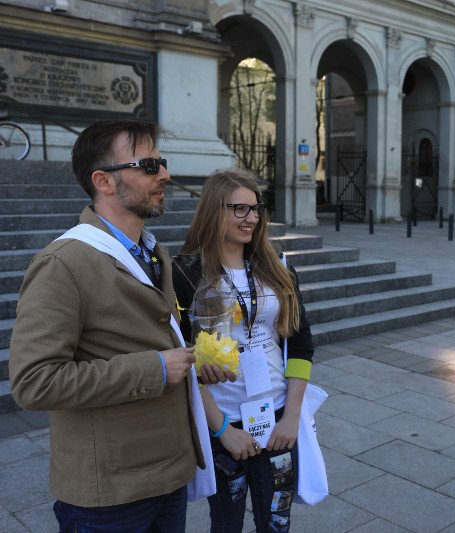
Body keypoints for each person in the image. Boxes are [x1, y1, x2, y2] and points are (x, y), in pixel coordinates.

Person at [9, 119, 213, 531]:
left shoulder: (153, 254)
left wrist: (197, 362)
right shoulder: (63, 263)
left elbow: (156, 337)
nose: (166, 175)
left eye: (163, 162)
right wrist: (153, 368)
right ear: (103, 180)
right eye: (150, 165)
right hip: (110, 494)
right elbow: (33, 382)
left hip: (169, 474)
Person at [172, 169, 314, 532]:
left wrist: (292, 417)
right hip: (222, 424)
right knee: (226, 524)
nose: (252, 218)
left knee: (276, 524)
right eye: (240, 209)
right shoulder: (184, 274)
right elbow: (183, 359)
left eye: (256, 209)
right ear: (213, 210)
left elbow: (300, 343)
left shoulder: (279, 270)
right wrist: (221, 430)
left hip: (277, 420)